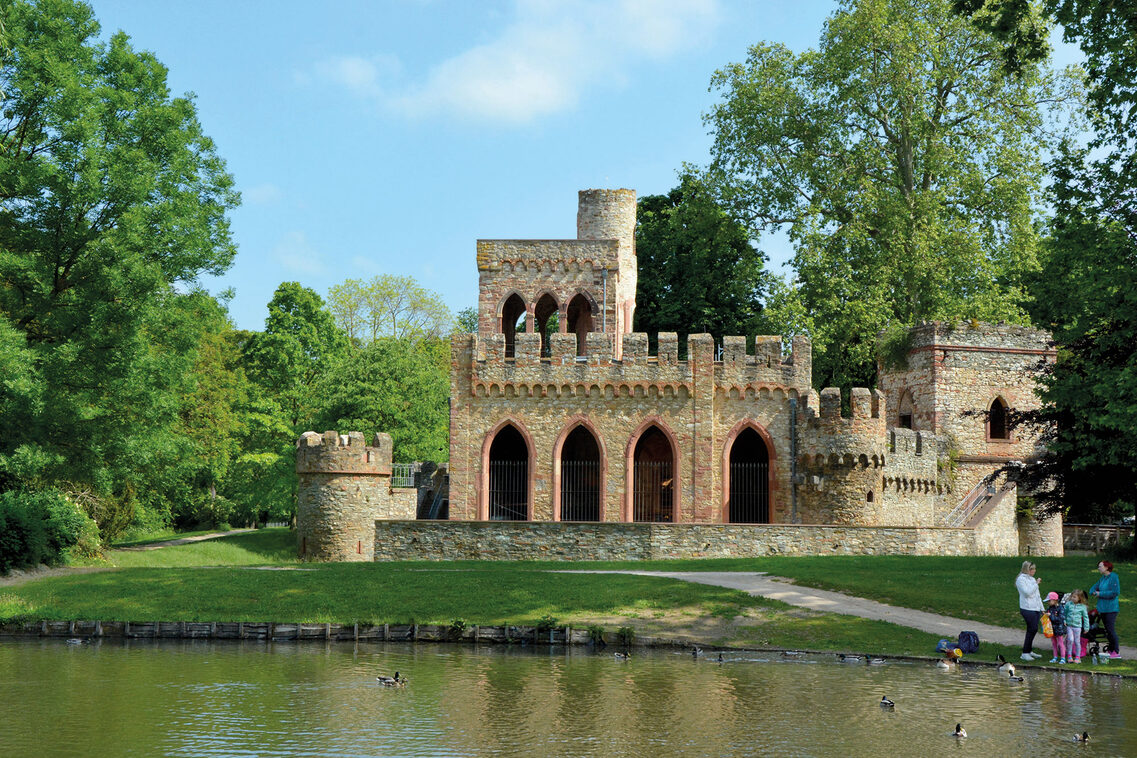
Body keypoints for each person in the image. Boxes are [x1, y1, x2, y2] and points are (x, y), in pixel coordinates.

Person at [1089, 560, 1121, 659]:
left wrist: (1100, 594)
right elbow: (1093, 588)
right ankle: (1111, 649)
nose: (1099, 568)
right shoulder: (1102, 578)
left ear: (1106, 567)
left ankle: (1115, 651)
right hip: (1102, 608)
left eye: (1100, 566)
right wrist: (1093, 592)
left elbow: (1115, 592)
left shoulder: (1113, 577)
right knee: (1107, 630)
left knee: (1111, 630)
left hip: (1111, 608)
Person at [1016, 560, 1044, 660]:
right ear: (1028, 569)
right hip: (1027, 608)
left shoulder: (1032, 579)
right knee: (1032, 629)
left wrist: (1042, 608)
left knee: (1034, 629)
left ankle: (1029, 650)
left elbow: (1037, 595)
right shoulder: (1021, 580)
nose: (1034, 571)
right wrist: (1036, 584)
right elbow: (1027, 593)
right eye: (1033, 569)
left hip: (1035, 607)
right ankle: (1025, 653)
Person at [1064, 589, 1090, 663]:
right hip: (1069, 626)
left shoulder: (1082, 607)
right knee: (1070, 640)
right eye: (1072, 596)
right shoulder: (1068, 604)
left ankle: (1077, 657)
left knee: (1077, 641)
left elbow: (1085, 617)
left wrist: (1086, 627)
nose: (1073, 598)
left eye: (1075, 597)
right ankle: (1069, 656)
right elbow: (1064, 613)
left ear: (1079, 598)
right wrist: (1064, 620)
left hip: (1077, 627)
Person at [1045, 591, 1068, 663]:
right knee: (1054, 643)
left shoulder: (1060, 608)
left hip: (1059, 629)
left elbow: (1060, 619)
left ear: (1055, 600)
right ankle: (1055, 657)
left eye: (1049, 600)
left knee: (1060, 643)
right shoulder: (1050, 608)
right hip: (1051, 629)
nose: (1048, 602)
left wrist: (1050, 616)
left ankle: (1063, 658)